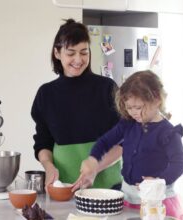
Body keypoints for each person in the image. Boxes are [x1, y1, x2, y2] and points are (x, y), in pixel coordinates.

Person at [73, 70, 183, 219]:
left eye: (138, 107)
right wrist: (93, 159)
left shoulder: (169, 132)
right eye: (129, 107)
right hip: (128, 197)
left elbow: (178, 164)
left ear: (157, 99)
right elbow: (105, 141)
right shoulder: (127, 124)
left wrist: (159, 180)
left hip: (157, 201)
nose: (133, 112)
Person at [31, 18, 123, 191]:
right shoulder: (46, 94)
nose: (78, 59)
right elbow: (43, 142)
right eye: (71, 53)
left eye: (84, 52)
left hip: (108, 189)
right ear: (57, 53)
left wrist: (95, 166)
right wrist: (48, 166)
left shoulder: (106, 88)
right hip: (65, 187)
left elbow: (123, 140)